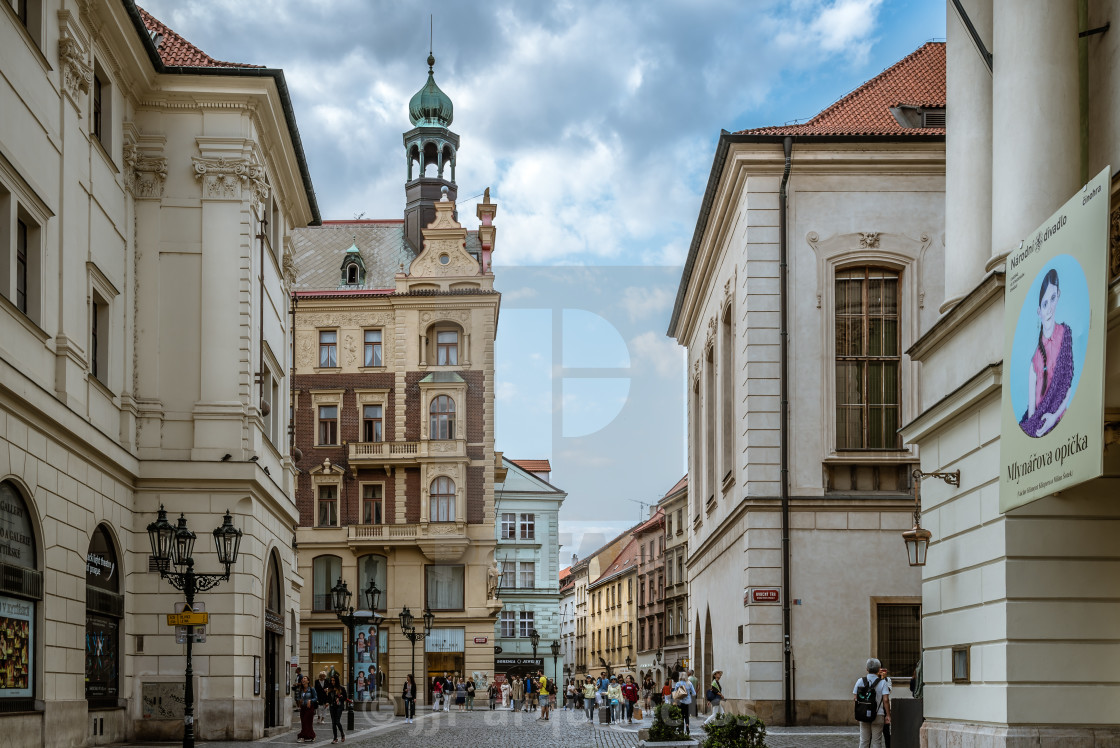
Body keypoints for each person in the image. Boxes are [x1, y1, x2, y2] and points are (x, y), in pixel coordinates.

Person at [1020, 268, 1074, 438]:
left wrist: (1054, 417)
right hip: (1041, 433)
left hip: (1064, 426)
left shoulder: (1066, 335)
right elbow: (1032, 416)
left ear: (1058, 295)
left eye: (1052, 299)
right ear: (1039, 311)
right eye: (1045, 304)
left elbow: (1068, 387)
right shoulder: (1034, 361)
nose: (1049, 308)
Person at [853, 657, 891, 748]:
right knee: (877, 741)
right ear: (879, 669)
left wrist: (858, 713)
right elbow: (885, 700)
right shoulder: (883, 683)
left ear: (867, 669)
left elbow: (855, 698)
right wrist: (888, 715)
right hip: (879, 714)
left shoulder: (860, 681)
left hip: (863, 714)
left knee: (864, 741)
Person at [325, 672, 349, 743]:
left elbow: (345, 698)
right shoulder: (330, 689)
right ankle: (335, 738)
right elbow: (328, 698)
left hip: (339, 706)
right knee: (333, 723)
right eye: (331, 680)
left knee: (337, 721)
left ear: (336, 681)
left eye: (334, 680)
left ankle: (342, 734)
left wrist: (340, 698)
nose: (332, 682)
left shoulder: (341, 688)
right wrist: (327, 702)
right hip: (332, 706)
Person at [294, 674, 317, 743]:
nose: (303, 680)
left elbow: (315, 698)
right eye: (302, 679)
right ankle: (312, 735)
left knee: (307, 722)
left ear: (308, 681)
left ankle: (302, 737)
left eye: (305, 678)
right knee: (303, 722)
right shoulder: (301, 689)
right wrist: (299, 700)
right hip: (303, 708)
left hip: (309, 708)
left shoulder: (311, 689)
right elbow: (298, 697)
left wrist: (310, 700)